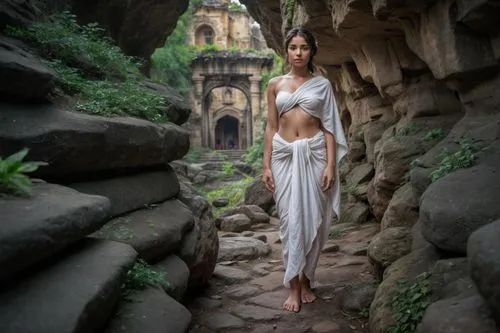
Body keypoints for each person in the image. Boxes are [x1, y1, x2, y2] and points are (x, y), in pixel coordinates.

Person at [262, 27, 347, 313]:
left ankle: (307, 278)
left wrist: (331, 166)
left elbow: (330, 128)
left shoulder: (322, 85)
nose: (298, 53)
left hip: (315, 155)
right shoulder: (274, 84)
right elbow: (272, 127)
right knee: (290, 221)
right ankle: (294, 287)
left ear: (312, 51)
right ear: (286, 50)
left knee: (315, 220)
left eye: (304, 48)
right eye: (293, 47)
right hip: (284, 157)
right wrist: (266, 165)